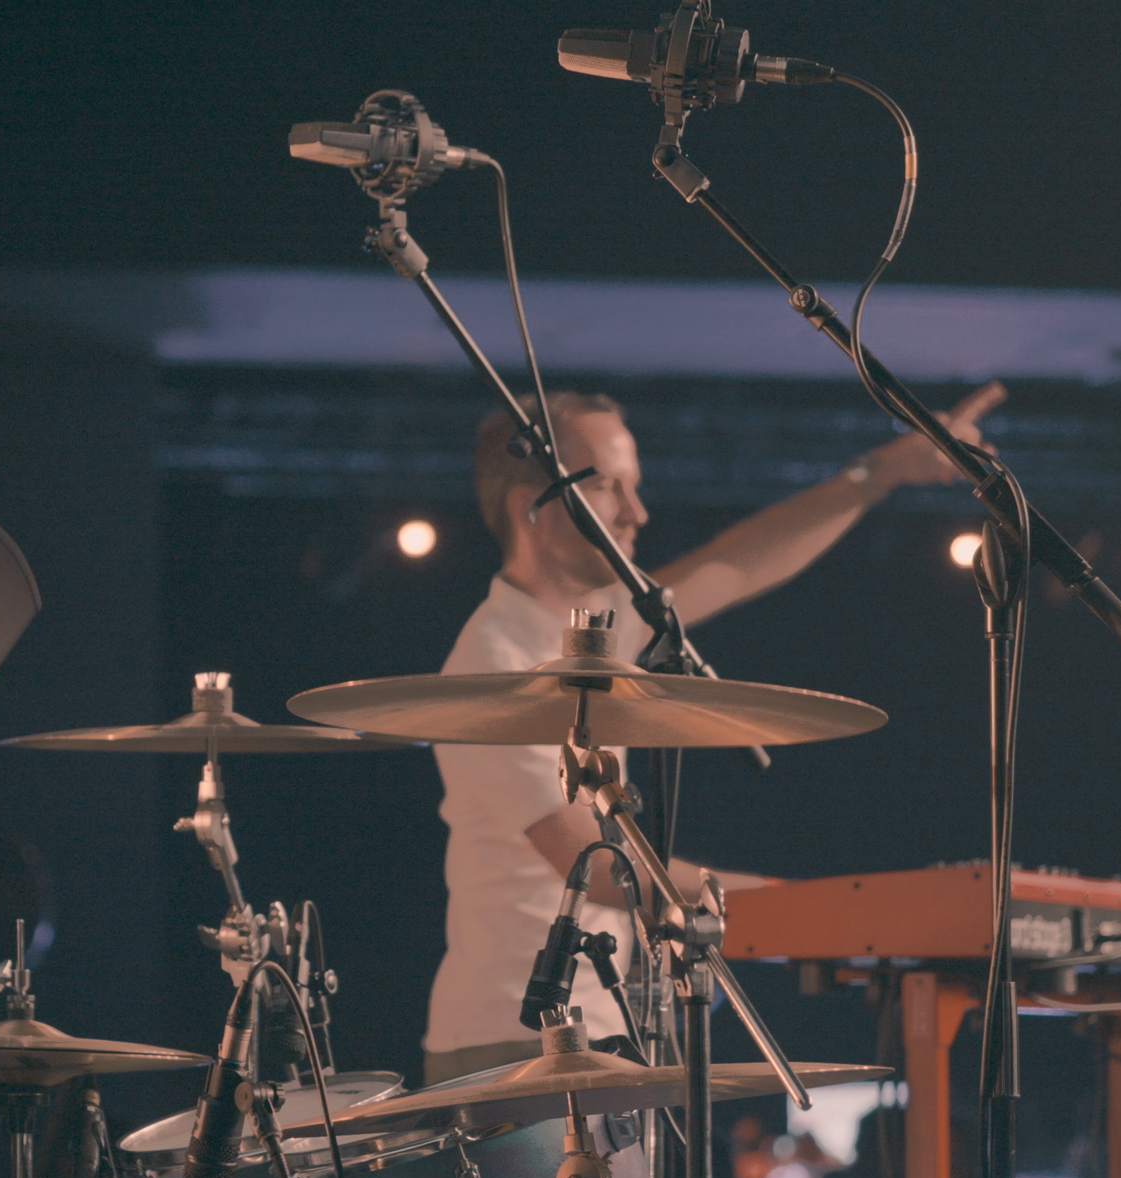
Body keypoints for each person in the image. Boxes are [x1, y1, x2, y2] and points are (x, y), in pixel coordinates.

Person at [425, 385, 1005, 1083]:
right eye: (611, 489)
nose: (637, 514)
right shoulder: (496, 663)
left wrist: (879, 474)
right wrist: (798, 910)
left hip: (593, 1028)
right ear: (531, 509)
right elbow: (598, 866)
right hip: (509, 1039)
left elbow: (734, 564)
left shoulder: (597, 626)